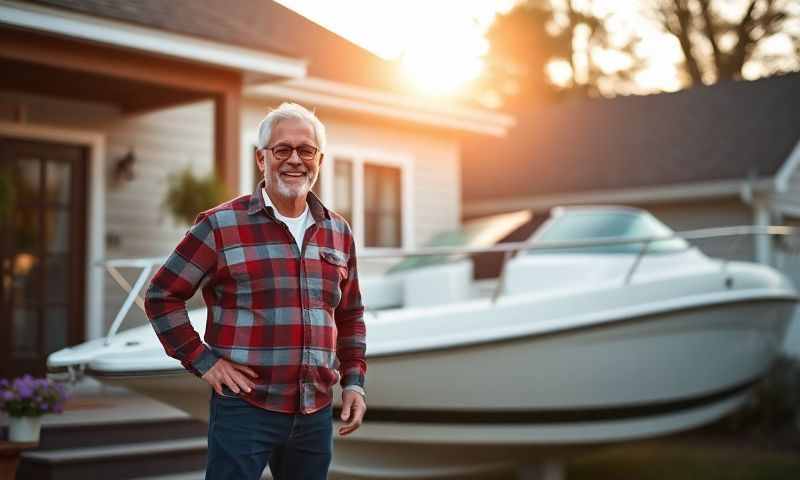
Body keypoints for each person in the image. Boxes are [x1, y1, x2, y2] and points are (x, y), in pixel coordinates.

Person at [144, 102, 367, 480]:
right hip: (244, 411)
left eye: (306, 150)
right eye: (282, 149)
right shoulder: (220, 225)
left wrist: (354, 383)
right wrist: (204, 361)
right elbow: (162, 296)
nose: (295, 159)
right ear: (262, 159)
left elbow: (350, 315)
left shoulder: (338, 231)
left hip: (314, 414)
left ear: (319, 160)